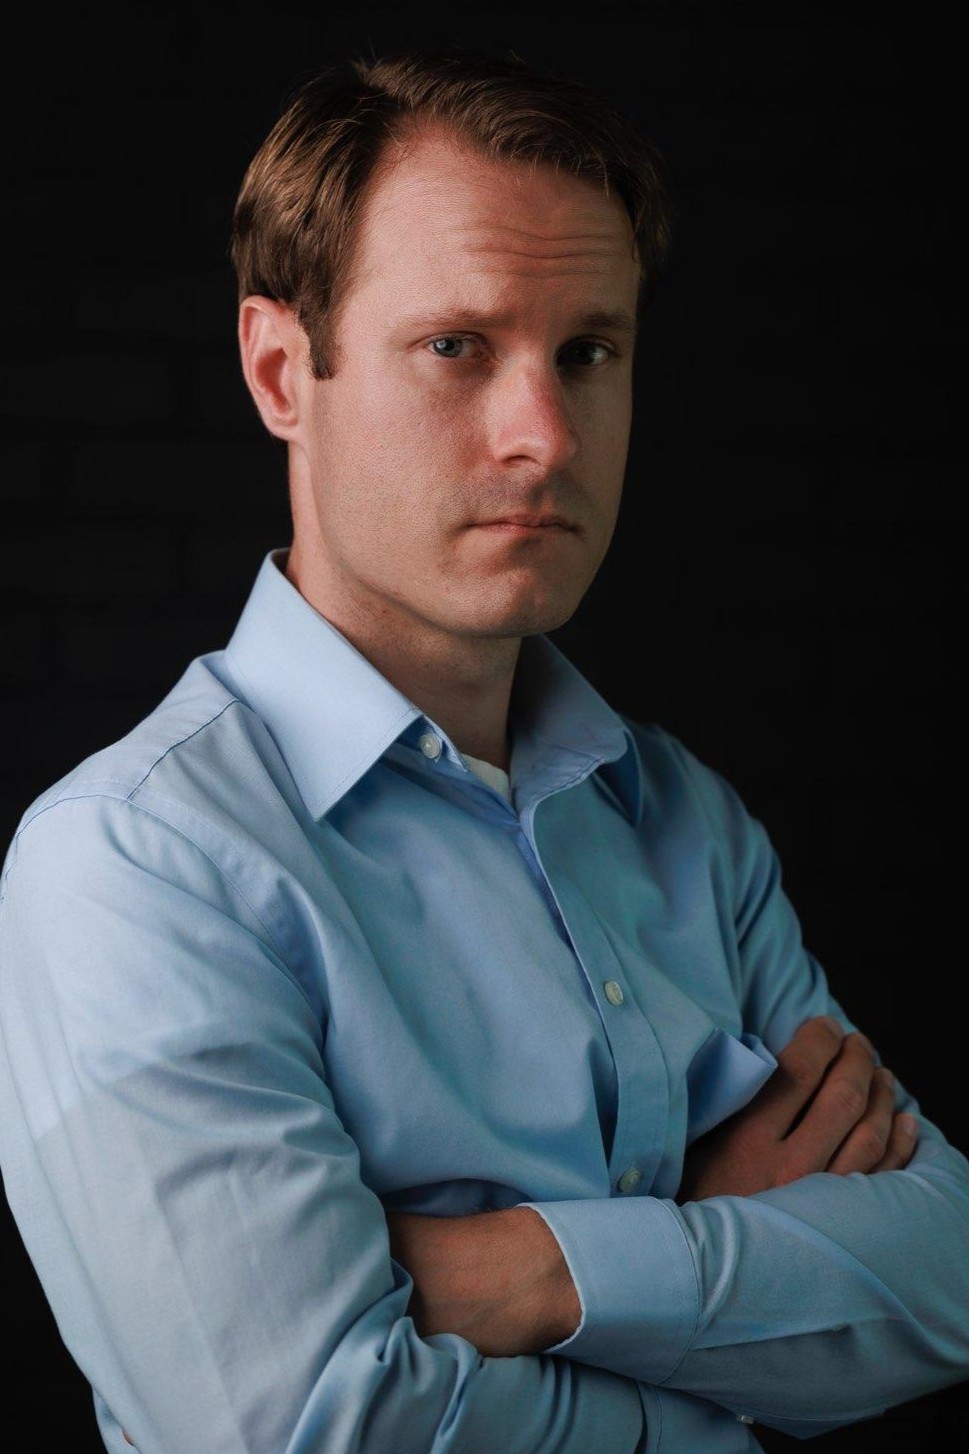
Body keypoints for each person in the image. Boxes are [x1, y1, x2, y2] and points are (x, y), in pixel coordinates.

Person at [0, 45, 966, 1454]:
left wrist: (530, 1272)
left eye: (589, 352)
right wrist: (716, 1299)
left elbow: (944, 1281)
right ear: (280, 371)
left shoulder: (684, 822)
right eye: (457, 346)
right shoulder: (140, 863)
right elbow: (300, 1430)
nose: (544, 436)